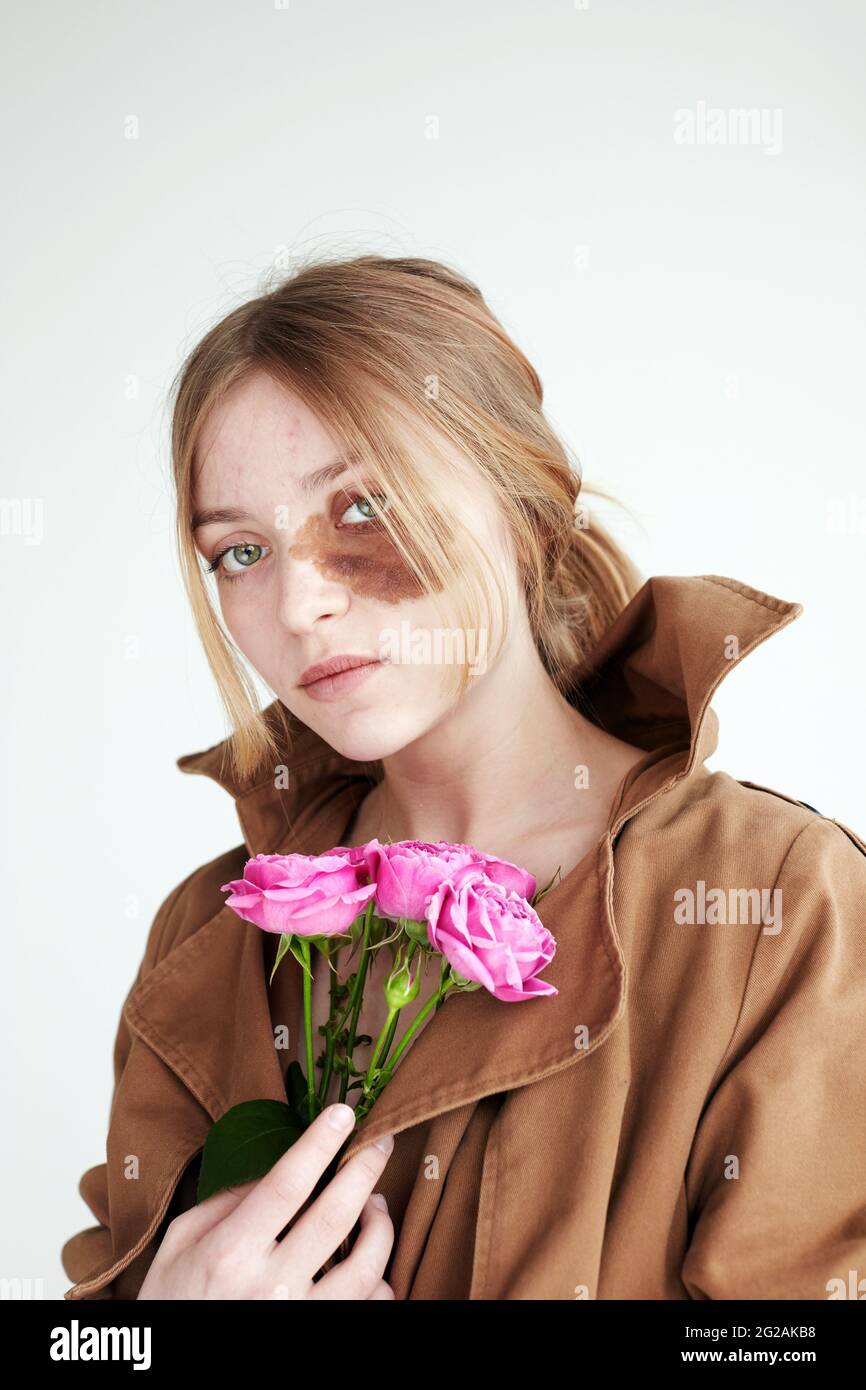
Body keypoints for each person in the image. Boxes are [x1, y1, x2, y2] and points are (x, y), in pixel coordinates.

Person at [62, 255, 866, 1301]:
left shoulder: (774, 903)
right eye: (241, 553)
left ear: (519, 504)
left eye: (362, 506)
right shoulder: (204, 937)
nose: (300, 602)